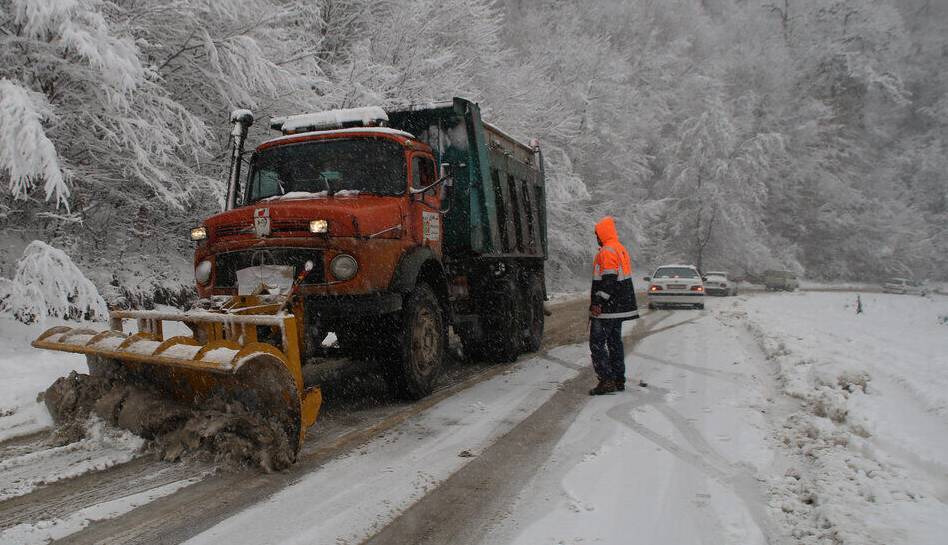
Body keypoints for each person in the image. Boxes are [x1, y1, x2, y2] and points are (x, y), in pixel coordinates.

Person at [588, 216, 639, 395]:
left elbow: (609, 280)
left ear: (603, 233)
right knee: (614, 342)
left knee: (597, 343)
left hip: (607, 309)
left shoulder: (607, 251)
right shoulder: (620, 248)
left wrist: (598, 302)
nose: (596, 237)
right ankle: (618, 378)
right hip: (618, 307)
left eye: (597, 234)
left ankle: (606, 380)